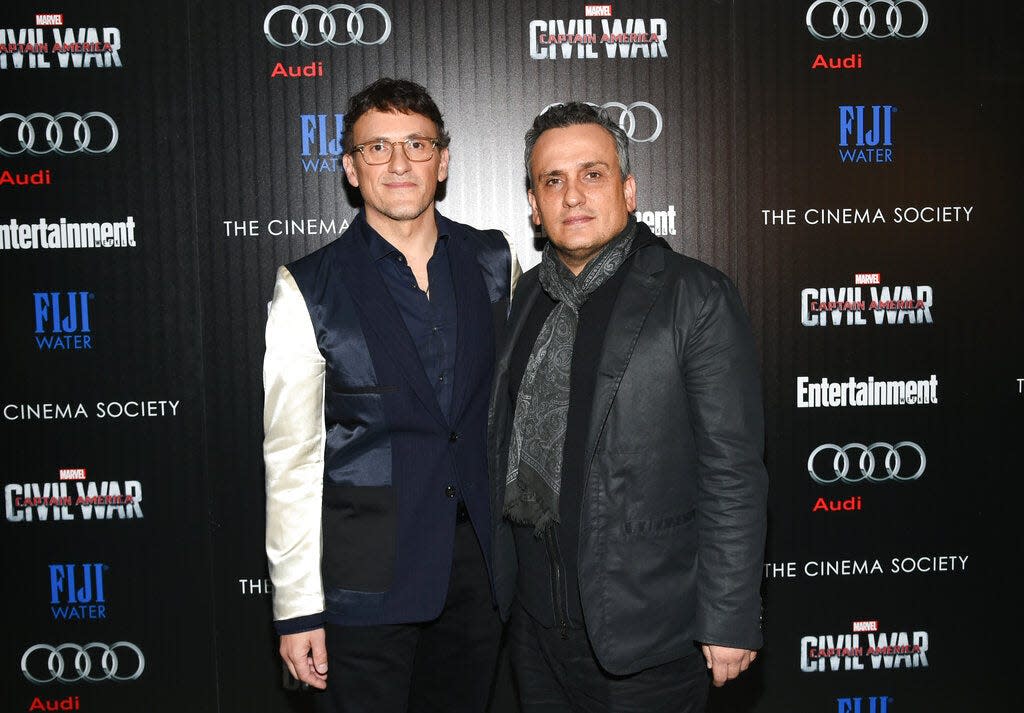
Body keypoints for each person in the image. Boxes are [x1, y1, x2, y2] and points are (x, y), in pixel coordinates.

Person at [487, 102, 768, 712]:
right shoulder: (526, 297)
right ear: (534, 205)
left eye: (593, 174)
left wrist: (728, 616)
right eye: (551, 181)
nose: (572, 196)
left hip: (649, 638)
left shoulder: (694, 297)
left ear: (629, 189)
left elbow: (734, 471)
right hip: (535, 630)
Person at [263, 77, 519, 713]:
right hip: (365, 575)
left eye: (416, 144)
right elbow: (291, 461)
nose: (399, 163)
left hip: (477, 566)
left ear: (444, 161)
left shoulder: (494, 261)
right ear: (351, 168)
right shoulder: (308, 286)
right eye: (377, 149)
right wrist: (297, 609)